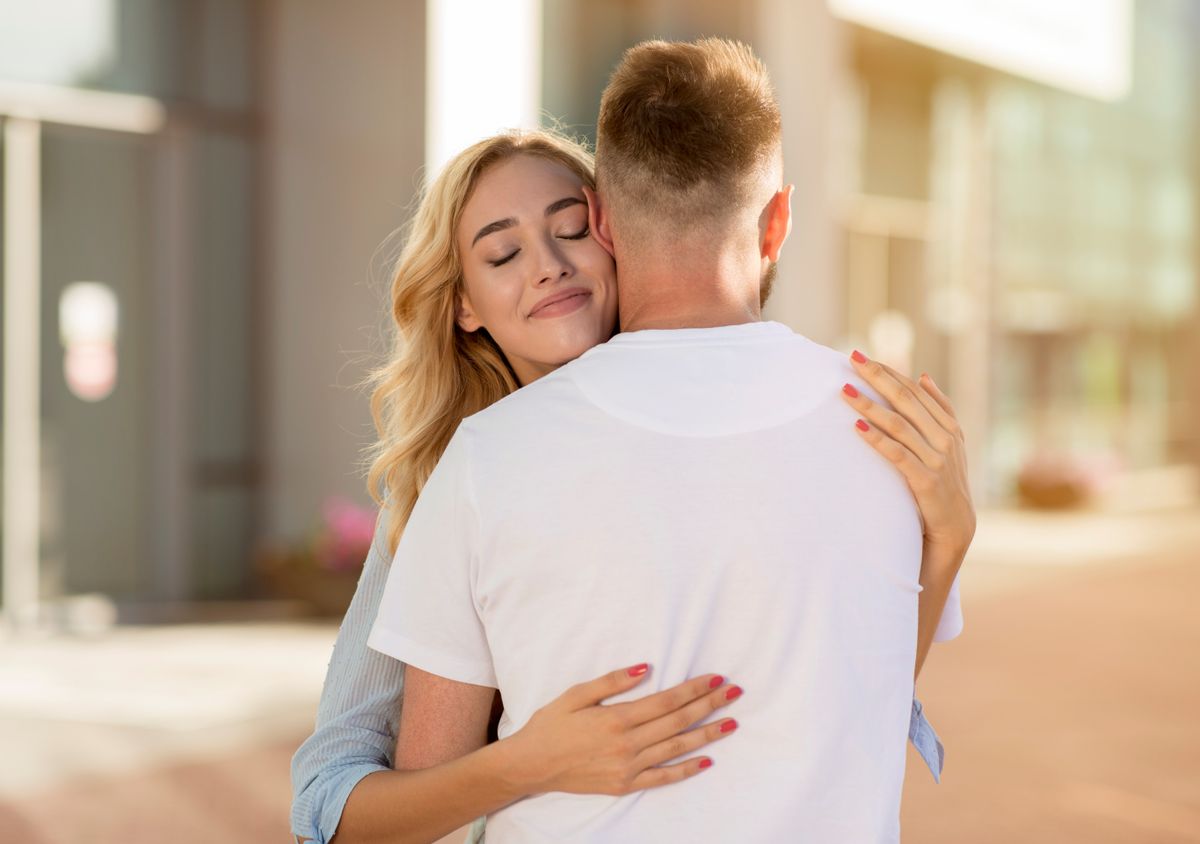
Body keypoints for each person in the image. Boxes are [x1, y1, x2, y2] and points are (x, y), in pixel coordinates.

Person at [364, 37, 972, 843]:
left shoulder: (486, 458)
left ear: (605, 222)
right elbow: (859, 704)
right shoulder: (895, 432)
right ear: (778, 222)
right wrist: (950, 538)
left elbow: (419, 810)